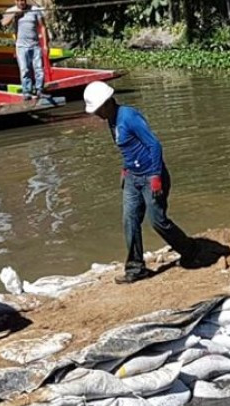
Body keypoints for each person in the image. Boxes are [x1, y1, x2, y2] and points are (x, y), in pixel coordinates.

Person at [83, 81, 197, 284]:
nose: (97, 115)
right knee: (130, 220)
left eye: (98, 110)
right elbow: (129, 148)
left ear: (107, 104)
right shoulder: (111, 120)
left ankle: (188, 249)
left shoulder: (129, 116)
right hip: (132, 178)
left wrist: (155, 176)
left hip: (151, 177)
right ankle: (135, 268)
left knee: (158, 221)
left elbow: (154, 144)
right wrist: (125, 169)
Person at [1, 0, 45, 101]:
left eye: (23, 0)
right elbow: (4, 23)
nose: (22, 2)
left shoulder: (34, 10)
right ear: (15, 1)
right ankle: (27, 91)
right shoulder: (11, 10)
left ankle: (40, 90)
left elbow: (42, 26)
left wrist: (45, 44)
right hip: (21, 46)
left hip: (35, 45)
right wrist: (14, 14)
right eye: (19, 0)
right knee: (25, 70)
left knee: (39, 69)